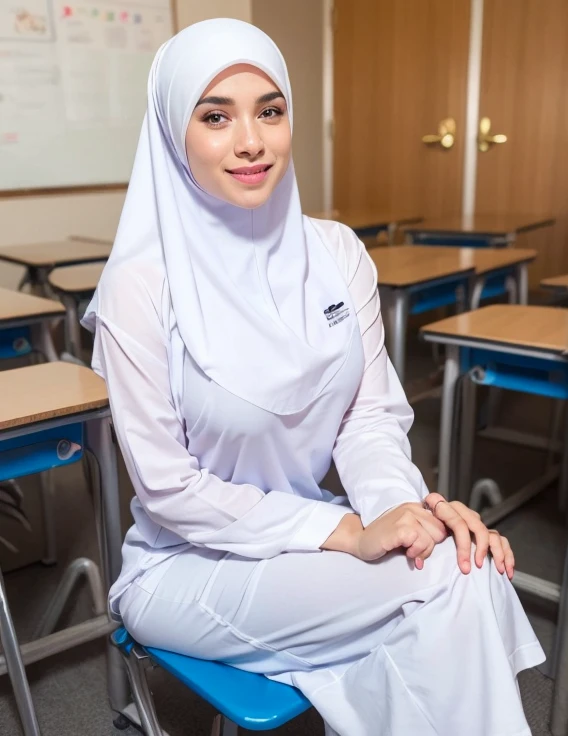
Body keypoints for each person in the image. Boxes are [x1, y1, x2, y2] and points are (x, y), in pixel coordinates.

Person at [82, 18, 545, 736]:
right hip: (188, 565)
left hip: (312, 540)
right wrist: (346, 531)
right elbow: (172, 490)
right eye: (215, 116)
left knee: (453, 570)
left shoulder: (333, 252)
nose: (251, 141)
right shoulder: (139, 290)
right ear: (175, 133)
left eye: (270, 110)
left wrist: (405, 516)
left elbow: (366, 416)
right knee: (457, 580)